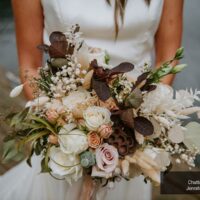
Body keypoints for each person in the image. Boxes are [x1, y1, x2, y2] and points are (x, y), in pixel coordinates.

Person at [0, 0, 183, 199]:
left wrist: (141, 115)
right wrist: (61, 121)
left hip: (133, 135)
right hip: (65, 134)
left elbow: (167, 57)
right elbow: (30, 65)